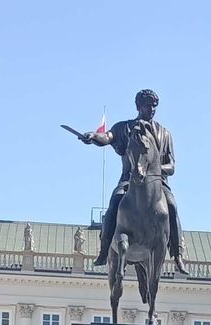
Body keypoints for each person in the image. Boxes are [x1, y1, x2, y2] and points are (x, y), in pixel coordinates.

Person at [78, 88, 187, 275]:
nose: (151, 109)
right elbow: (107, 137)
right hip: (129, 181)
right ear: (138, 106)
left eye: (154, 106)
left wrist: (155, 170)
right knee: (114, 202)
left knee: (172, 206)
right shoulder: (125, 128)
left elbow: (172, 166)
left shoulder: (165, 134)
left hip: (158, 184)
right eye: (147, 105)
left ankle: (177, 254)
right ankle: (104, 249)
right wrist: (94, 136)